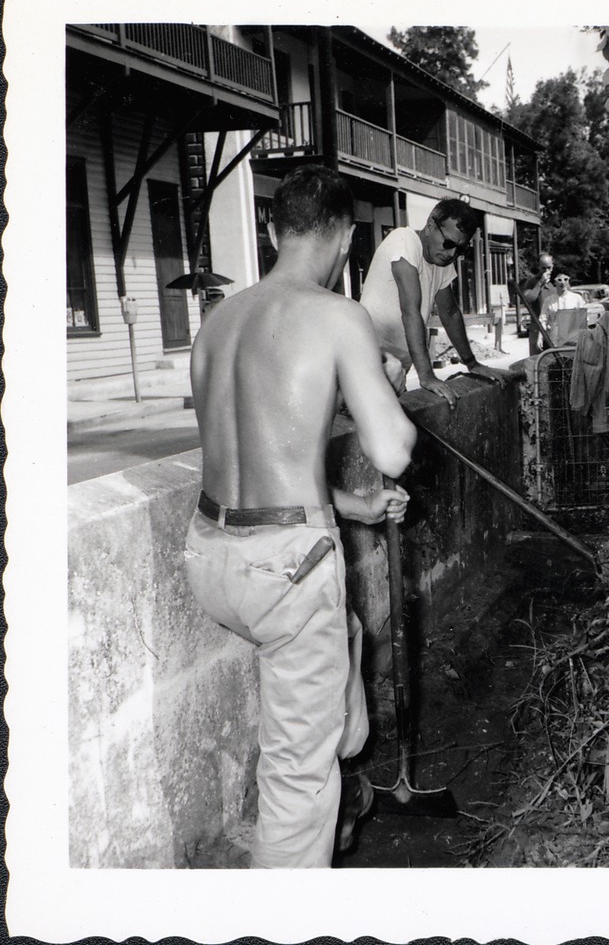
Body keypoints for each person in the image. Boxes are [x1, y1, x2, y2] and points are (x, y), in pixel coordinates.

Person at [183, 165, 417, 868]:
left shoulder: (218, 319)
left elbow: (263, 460)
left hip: (212, 553)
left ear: (273, 230)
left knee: (339, 632)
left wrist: (358, 507)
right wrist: (385, 384)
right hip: (284, 566)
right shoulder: (336, 315)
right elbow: (394, 450)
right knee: (296, 779)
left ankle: (342, 761)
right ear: (345, 236)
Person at [359, 198, 510, 409]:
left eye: (459, 249)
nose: (451, 254)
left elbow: (450, 313)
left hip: (395, 371)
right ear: (430, 226)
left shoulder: (440, 260)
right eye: (448, 243)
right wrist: (427, 376)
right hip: (366, 362)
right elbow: (410, 311)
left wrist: (472, 363)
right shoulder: (404, 241)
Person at [520, 252, 557, 356]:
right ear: (538, 267)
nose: (546, 271)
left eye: (549, 268)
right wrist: (540, 283)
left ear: (553, 266)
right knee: (537, 362)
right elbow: (528, 300)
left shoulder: (557, 282)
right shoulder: (532, 282)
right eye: (543, 268)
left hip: (555, 329)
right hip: (537, 328)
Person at [541, 273, 587, 345]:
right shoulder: (549, 301)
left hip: (573, 340)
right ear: (554, 282)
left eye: (565, 279)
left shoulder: (577, 298)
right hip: (555, 340)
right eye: (559, 280)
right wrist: (540, 337)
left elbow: (583, 320)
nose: (563, 282)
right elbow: (543, 320)